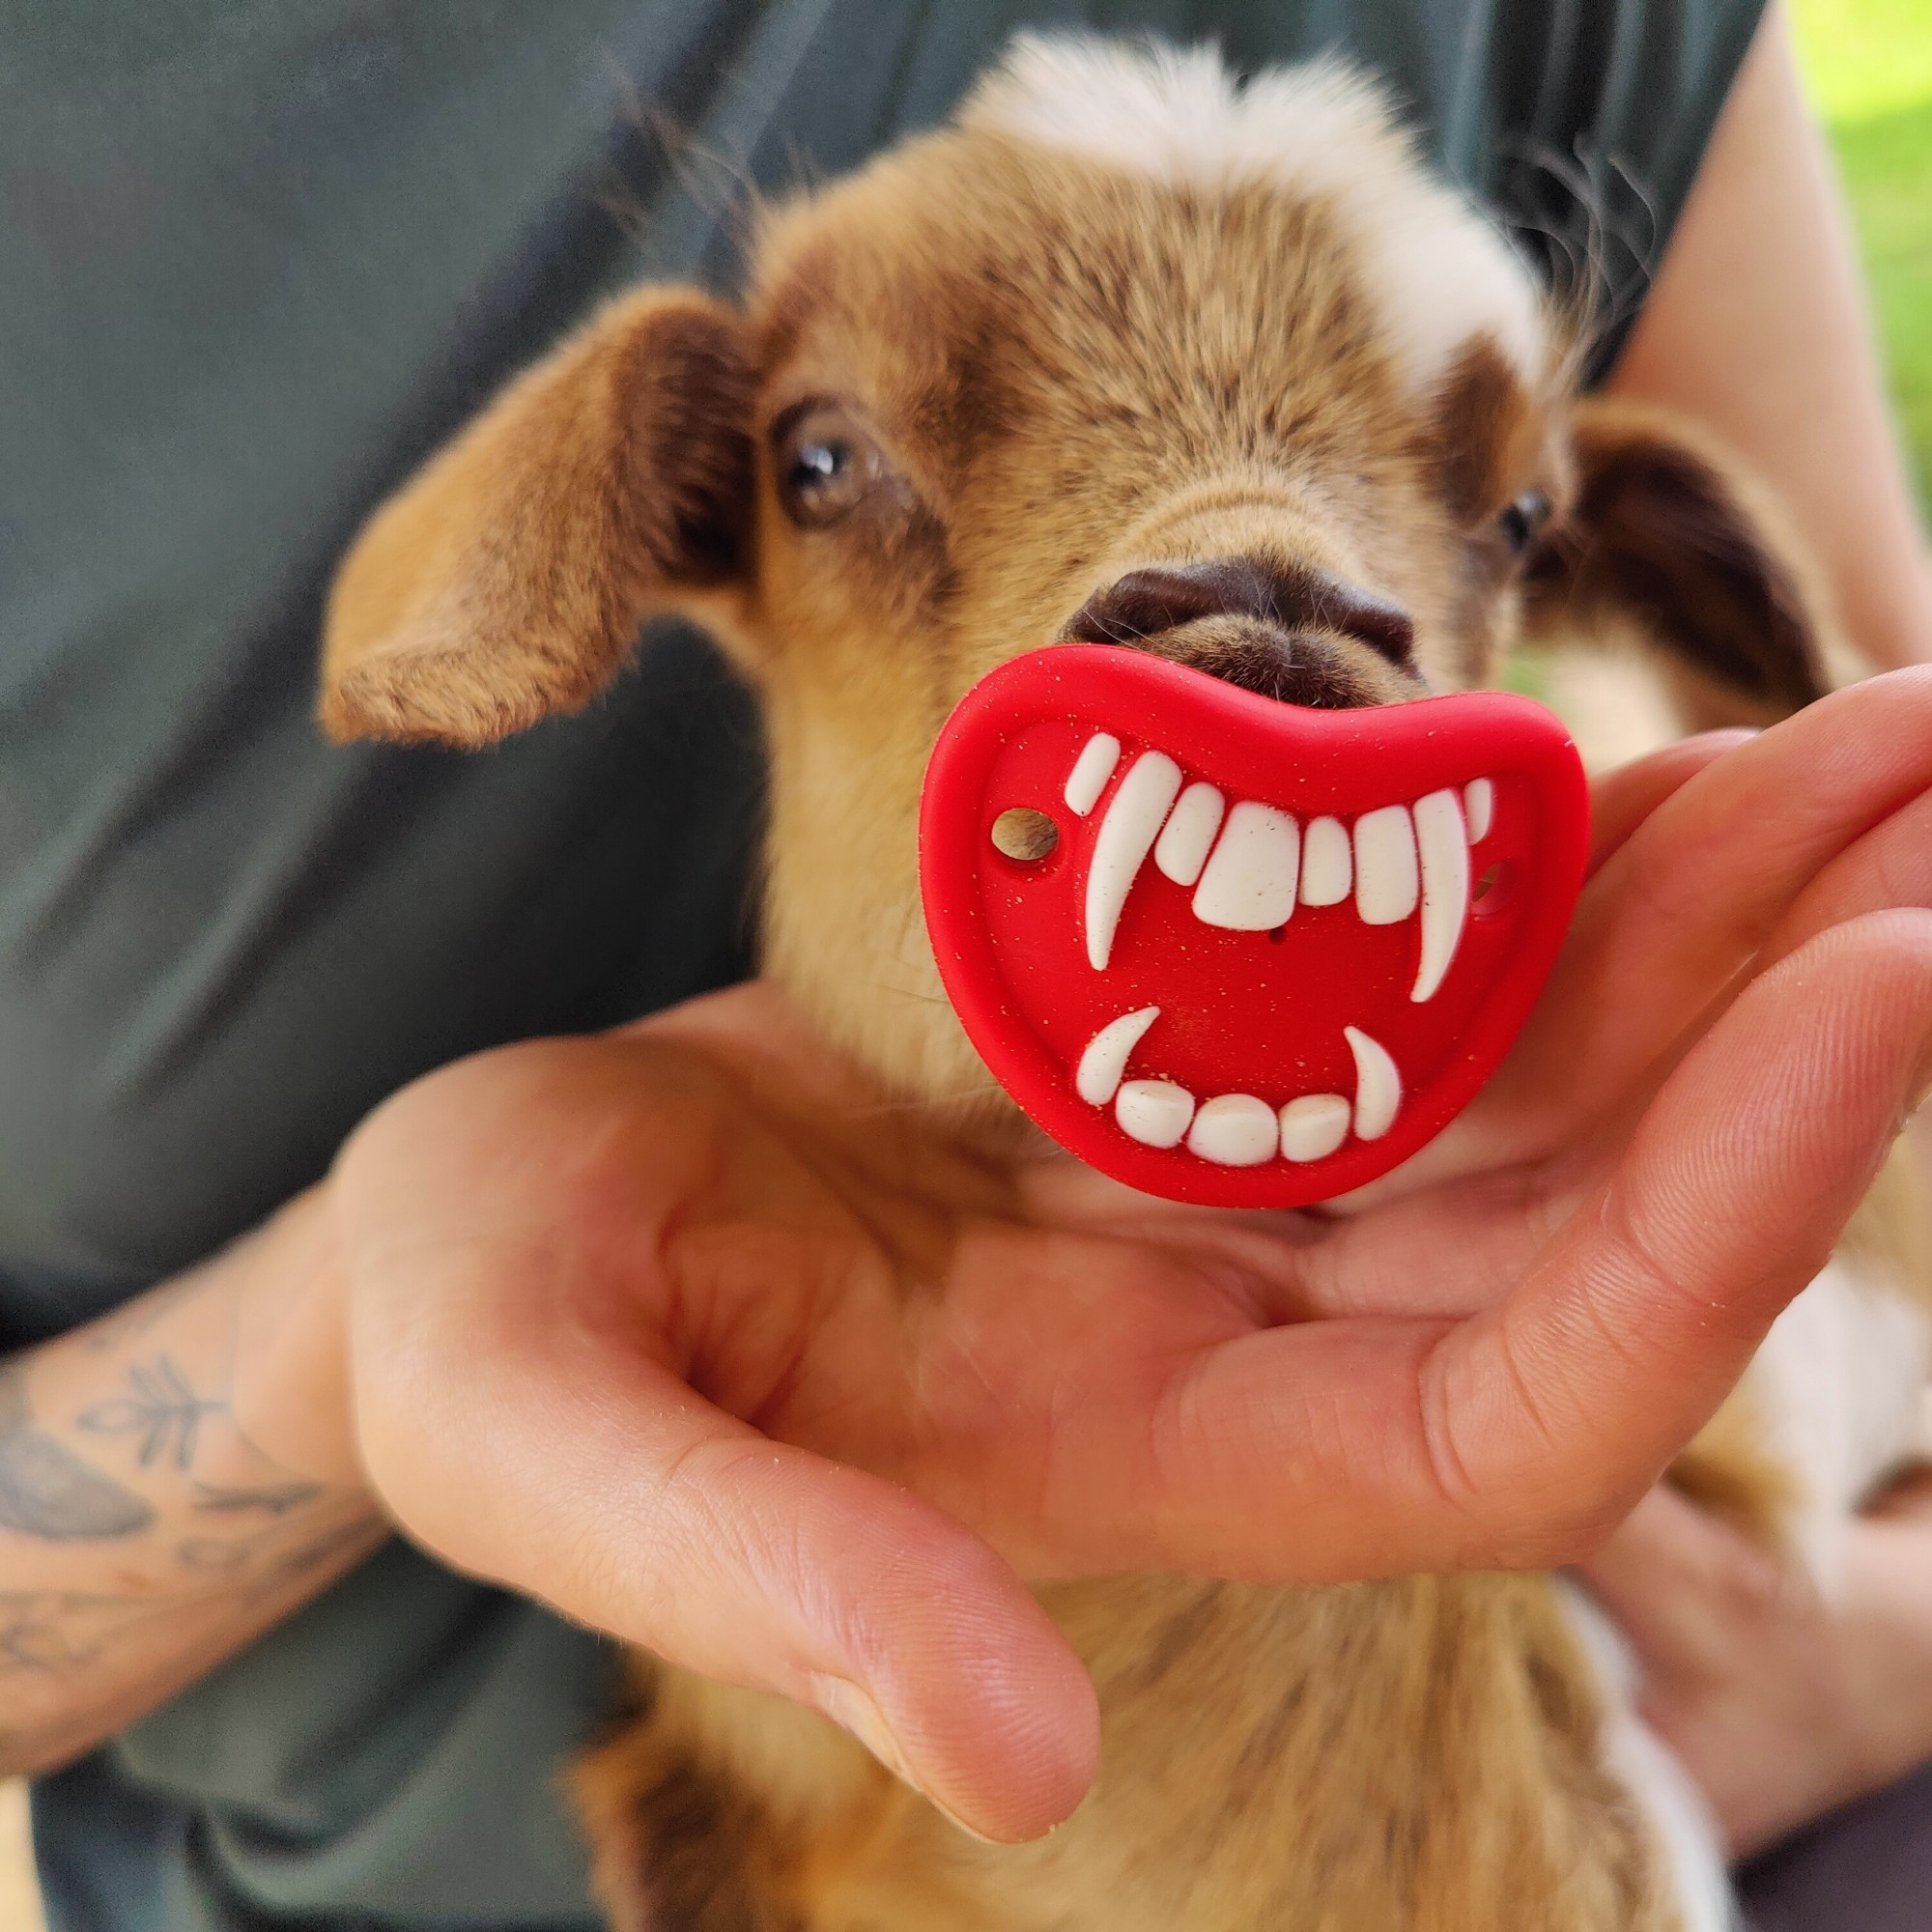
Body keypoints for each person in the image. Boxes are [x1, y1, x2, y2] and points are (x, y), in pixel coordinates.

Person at [2, 2, 1929, 1927]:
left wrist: (1869, 1653)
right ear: (688, 496)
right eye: (833, 468)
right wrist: (348, 1329)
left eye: (1494, 520)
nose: (1264, 631)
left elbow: (1880, 863)